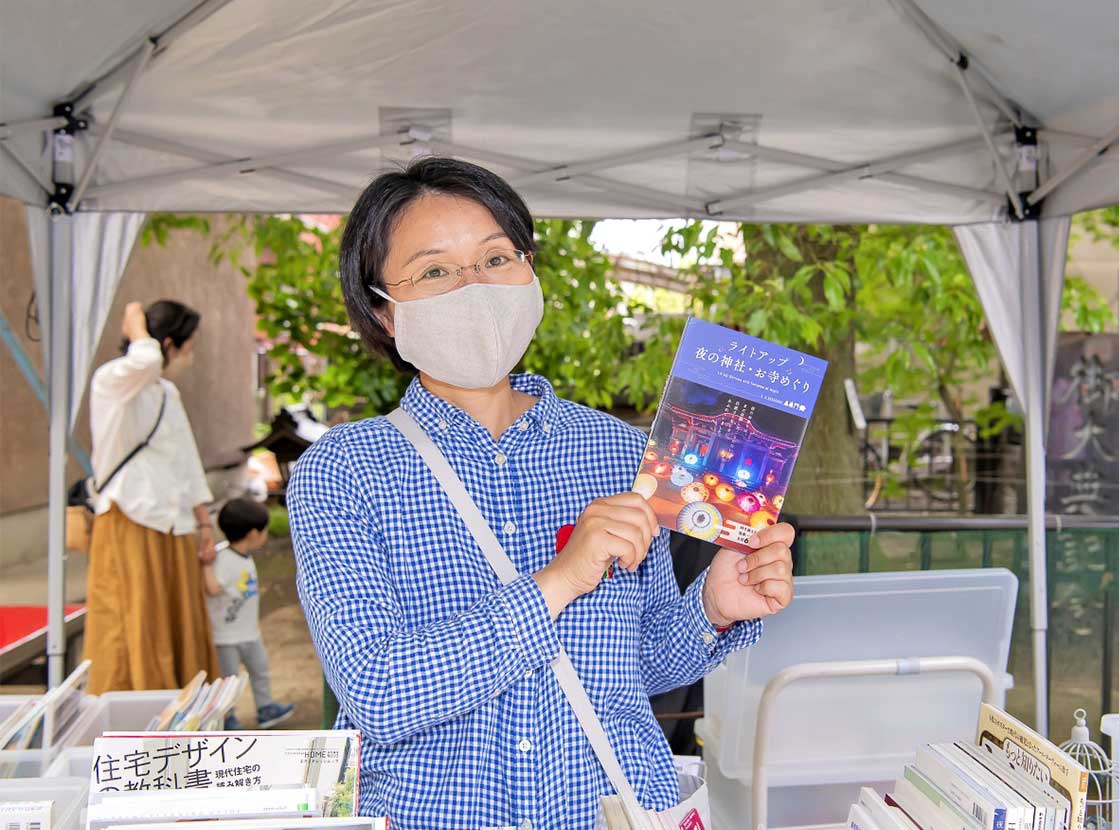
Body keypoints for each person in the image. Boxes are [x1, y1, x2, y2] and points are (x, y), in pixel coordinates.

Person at [288, 157, 797, 828]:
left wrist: (713, 608)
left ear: (529, 271)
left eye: (496, 258)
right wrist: (559, 580)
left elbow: (637, 666)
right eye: (435, 270)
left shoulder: (621, 451)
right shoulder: (342, 470)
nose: (474, 287)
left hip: (614, 810)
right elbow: (379, 692)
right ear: (383, 312)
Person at [82, 300, 221, 694]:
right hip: (131, 517)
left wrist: (204, 521)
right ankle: (133, 725)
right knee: (133, 625)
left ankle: (182, 718)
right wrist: (136, 325)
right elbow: (144, 361)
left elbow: (184, 458)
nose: (191, 353)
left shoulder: (166, 392)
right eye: (188, 344)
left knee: (176, 626)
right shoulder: (113, 380)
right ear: (171, 343)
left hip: (173, 522)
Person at [202, 497, 295, 730]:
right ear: (253, 534)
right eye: (263, 532)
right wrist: (205, 566)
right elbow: (212, 589)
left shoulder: (245, 557)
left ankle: (266, 708)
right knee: (228, 680)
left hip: (249, 632)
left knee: (260, 670)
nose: (265, 536)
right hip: (225, 637)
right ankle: (228, 717)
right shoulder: (222, 558)